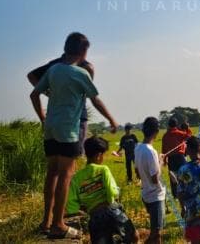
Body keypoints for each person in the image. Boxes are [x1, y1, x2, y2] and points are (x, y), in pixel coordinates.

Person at [29, 32, 118, 240]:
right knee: (66, 174)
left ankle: (47, 221)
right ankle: (59, 225)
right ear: (83, 52)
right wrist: (112, 119)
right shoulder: (81, 73)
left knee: (52, 173)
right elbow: (95, 100)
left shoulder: (53, 70)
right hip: (69, 129)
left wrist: (42, 116)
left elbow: (34, 94)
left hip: (50, 127)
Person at [66, 136, 136, 243]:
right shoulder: (103, 170)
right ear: (99, 155)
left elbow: (72, 205)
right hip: (111, 210)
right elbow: (112, 191)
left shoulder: (76, 178)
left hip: (94, 217)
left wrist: (85, 208)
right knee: (133, 236)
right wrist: (114, 196)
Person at [27, 49, 96, 156]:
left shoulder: (55, 65)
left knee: (55, 160)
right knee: (73, 157)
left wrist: (47, 92)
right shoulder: (85, 66)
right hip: (76, 117)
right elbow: (92, 96)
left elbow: (32, 76)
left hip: (54, 118)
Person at [135, 117, 165, 244]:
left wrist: (157, 162)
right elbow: (155, 179)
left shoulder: (138, 147)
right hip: (155, 197)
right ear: (156, 131)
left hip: (146, 195)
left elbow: (137, 172)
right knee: (156, 234)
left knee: (155, 232)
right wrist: (161, 162)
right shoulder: (151, 151)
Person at [161, 117, 188, 214]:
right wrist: (186, 127)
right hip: (180, 157)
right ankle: (185, 190)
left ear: (169, 125)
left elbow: (163, 150)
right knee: (184, 176)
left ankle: (175, 195)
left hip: (171, 158)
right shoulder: (179, 133)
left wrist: (164, 160)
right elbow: (189, 136)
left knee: (173, 178)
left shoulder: (165, 136)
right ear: (176, 125)